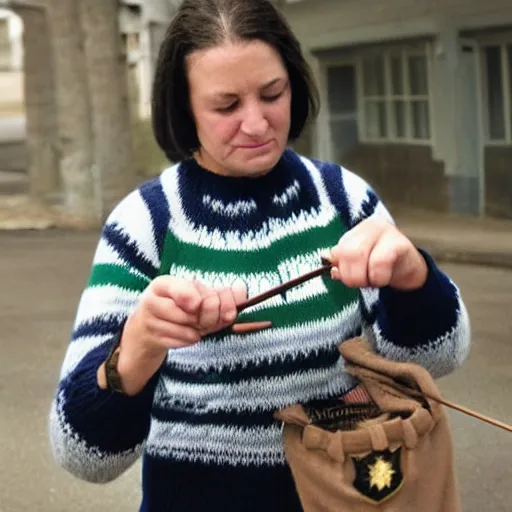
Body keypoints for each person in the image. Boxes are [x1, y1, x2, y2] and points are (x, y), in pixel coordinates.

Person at [49, 0, 471, 510]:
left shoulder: (344, 198)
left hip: (348, 497)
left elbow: (440, 360)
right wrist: (136, 347)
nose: (256, 123)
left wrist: (413, 277)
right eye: (226, 106)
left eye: (273, 94)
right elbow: (82, 455)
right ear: (184, 108)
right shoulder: (146, 222)